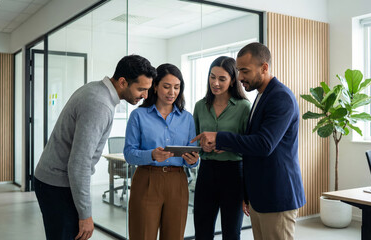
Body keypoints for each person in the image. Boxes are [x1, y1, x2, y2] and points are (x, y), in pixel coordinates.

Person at [34, 55, 157, 240]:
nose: (145, 96)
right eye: (141, 89)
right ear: (123, 82)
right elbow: (79, 163)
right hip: (58, 186)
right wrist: (85, 215)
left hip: (52, 181)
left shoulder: (95, 89)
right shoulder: (100, 105)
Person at [192, 42, 306, 240]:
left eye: (244, 71)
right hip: (260, 193)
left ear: (264, 67)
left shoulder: (280, 97)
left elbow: (264, 144)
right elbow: (251, 143)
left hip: (276, 194)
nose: (240, 77)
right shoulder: (262, 96)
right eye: (238, 70)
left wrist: (220, 138)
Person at [124, 63, 199, 240]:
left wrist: (193, 160)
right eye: (166, 86)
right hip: (147, 180)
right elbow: (129, 153)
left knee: (174, 235)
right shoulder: (139, 115)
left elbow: (194, 158)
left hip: (178, 181)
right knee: (142, 235)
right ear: (155, 86)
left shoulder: (187, 118)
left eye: (176, 87)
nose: (172, 92)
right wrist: (151, 155)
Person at [192, 56, 250, 240]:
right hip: (206, 172)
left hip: (233, 174)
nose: (215, 83)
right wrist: (202, 149)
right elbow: (193, 142)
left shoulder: (244, 107)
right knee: (202, 229)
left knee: (231, 232)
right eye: (212, 77)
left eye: (222, 79)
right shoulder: (200, 106)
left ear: (233, 80)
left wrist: (227, 145)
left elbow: (249, 145)